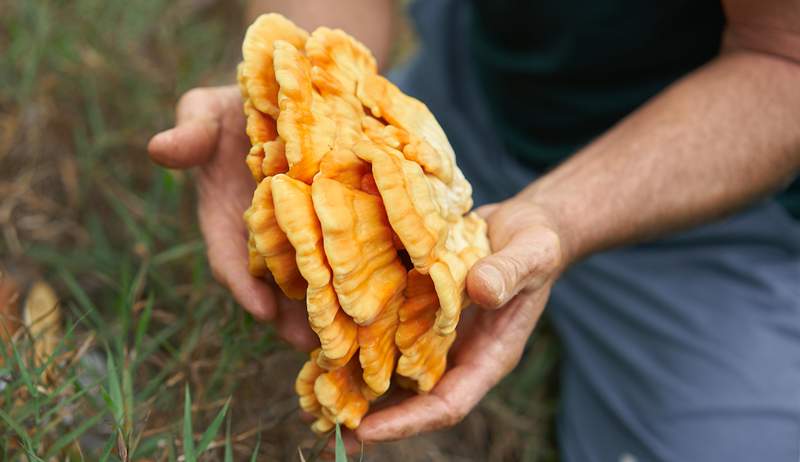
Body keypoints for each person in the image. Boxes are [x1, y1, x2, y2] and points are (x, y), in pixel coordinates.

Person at [148, 0, 800, 460]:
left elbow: (783, 61)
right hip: (463, 107)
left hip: (717, 193)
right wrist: (304, 108)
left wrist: (562, 216)